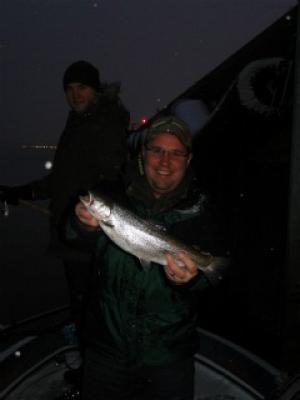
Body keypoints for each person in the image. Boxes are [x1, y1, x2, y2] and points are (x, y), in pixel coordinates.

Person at [63, 115, 229, 400]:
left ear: (188, 160)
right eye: (157, 150)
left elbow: (213, 280)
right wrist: (80, 224)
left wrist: (189, 280)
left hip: (168, 354)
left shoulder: (203, 210)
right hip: (106, 347)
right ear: (143, 154)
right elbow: (72, 237)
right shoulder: (112, 192)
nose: (165, 161)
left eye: (176, 153)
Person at [0, 61, 130, 392]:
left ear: (95, 90)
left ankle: (99, 378)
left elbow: (112, 176)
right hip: (72, 238)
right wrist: (23, 191)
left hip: (90, 239)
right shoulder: (78, 122)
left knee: (94, 309)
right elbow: (63, 178)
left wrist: (93, 216)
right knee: (83, 305)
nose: (75, 95)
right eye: (69, 90)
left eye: (82, 88)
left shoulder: (104, 121)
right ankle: (92, 368)